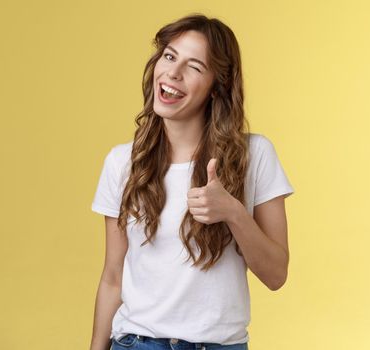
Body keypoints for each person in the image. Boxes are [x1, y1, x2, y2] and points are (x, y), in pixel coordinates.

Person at [89, 13, 295, 350]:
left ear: (217, 87)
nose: (173, 72)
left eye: (194, 67)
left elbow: (276, 275)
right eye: (169, 56)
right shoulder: (122, 163)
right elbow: (113, 277)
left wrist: (233, 212)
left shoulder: (254, 155)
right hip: (137, 343)